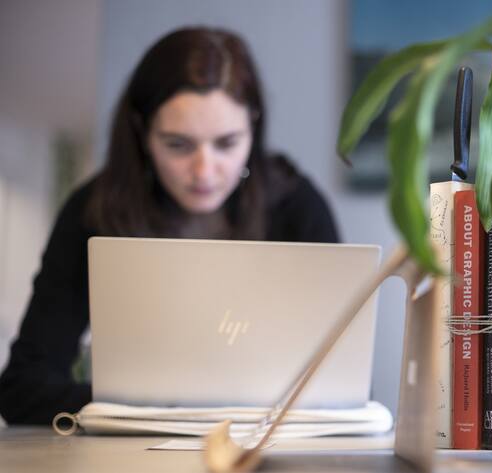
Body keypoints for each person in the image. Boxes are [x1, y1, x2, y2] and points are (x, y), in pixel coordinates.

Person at [0, 27, 339, 424]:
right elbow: (22, 389)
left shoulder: (296, 207)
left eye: (227, 144)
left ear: (253, 127)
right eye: (178, 145)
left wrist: (164, 404)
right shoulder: (93, 211)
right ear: (142, 133)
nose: (204, 171)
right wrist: (169, 407)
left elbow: (340, 384)